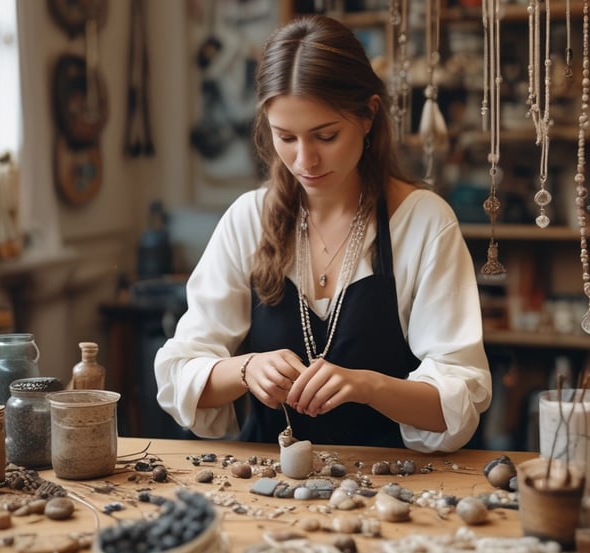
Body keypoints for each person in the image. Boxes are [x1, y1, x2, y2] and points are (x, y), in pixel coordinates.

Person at [154, 14, 491, 452]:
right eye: (286, 137)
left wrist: (369, 386)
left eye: (325, 136)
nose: (305, 161)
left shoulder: (422, 222)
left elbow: (460, 397)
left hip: (390, 485)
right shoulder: (248, 220)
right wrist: (245, 369)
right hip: (266, 482)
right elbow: (179, 373)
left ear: (368, 116)